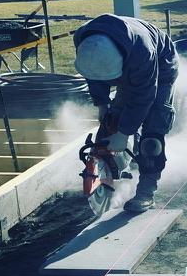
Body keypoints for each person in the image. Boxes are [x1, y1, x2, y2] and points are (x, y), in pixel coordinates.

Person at [73, 14, 179, 213]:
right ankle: (118, 164)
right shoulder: (85, 39)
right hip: (125, 62)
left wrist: (124, 133)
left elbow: (144, 96)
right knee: (112, 120)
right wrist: (102, 105)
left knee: (152, 139)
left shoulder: (143, 52)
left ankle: (146, 192)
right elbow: (93, 75)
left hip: (161, 65)